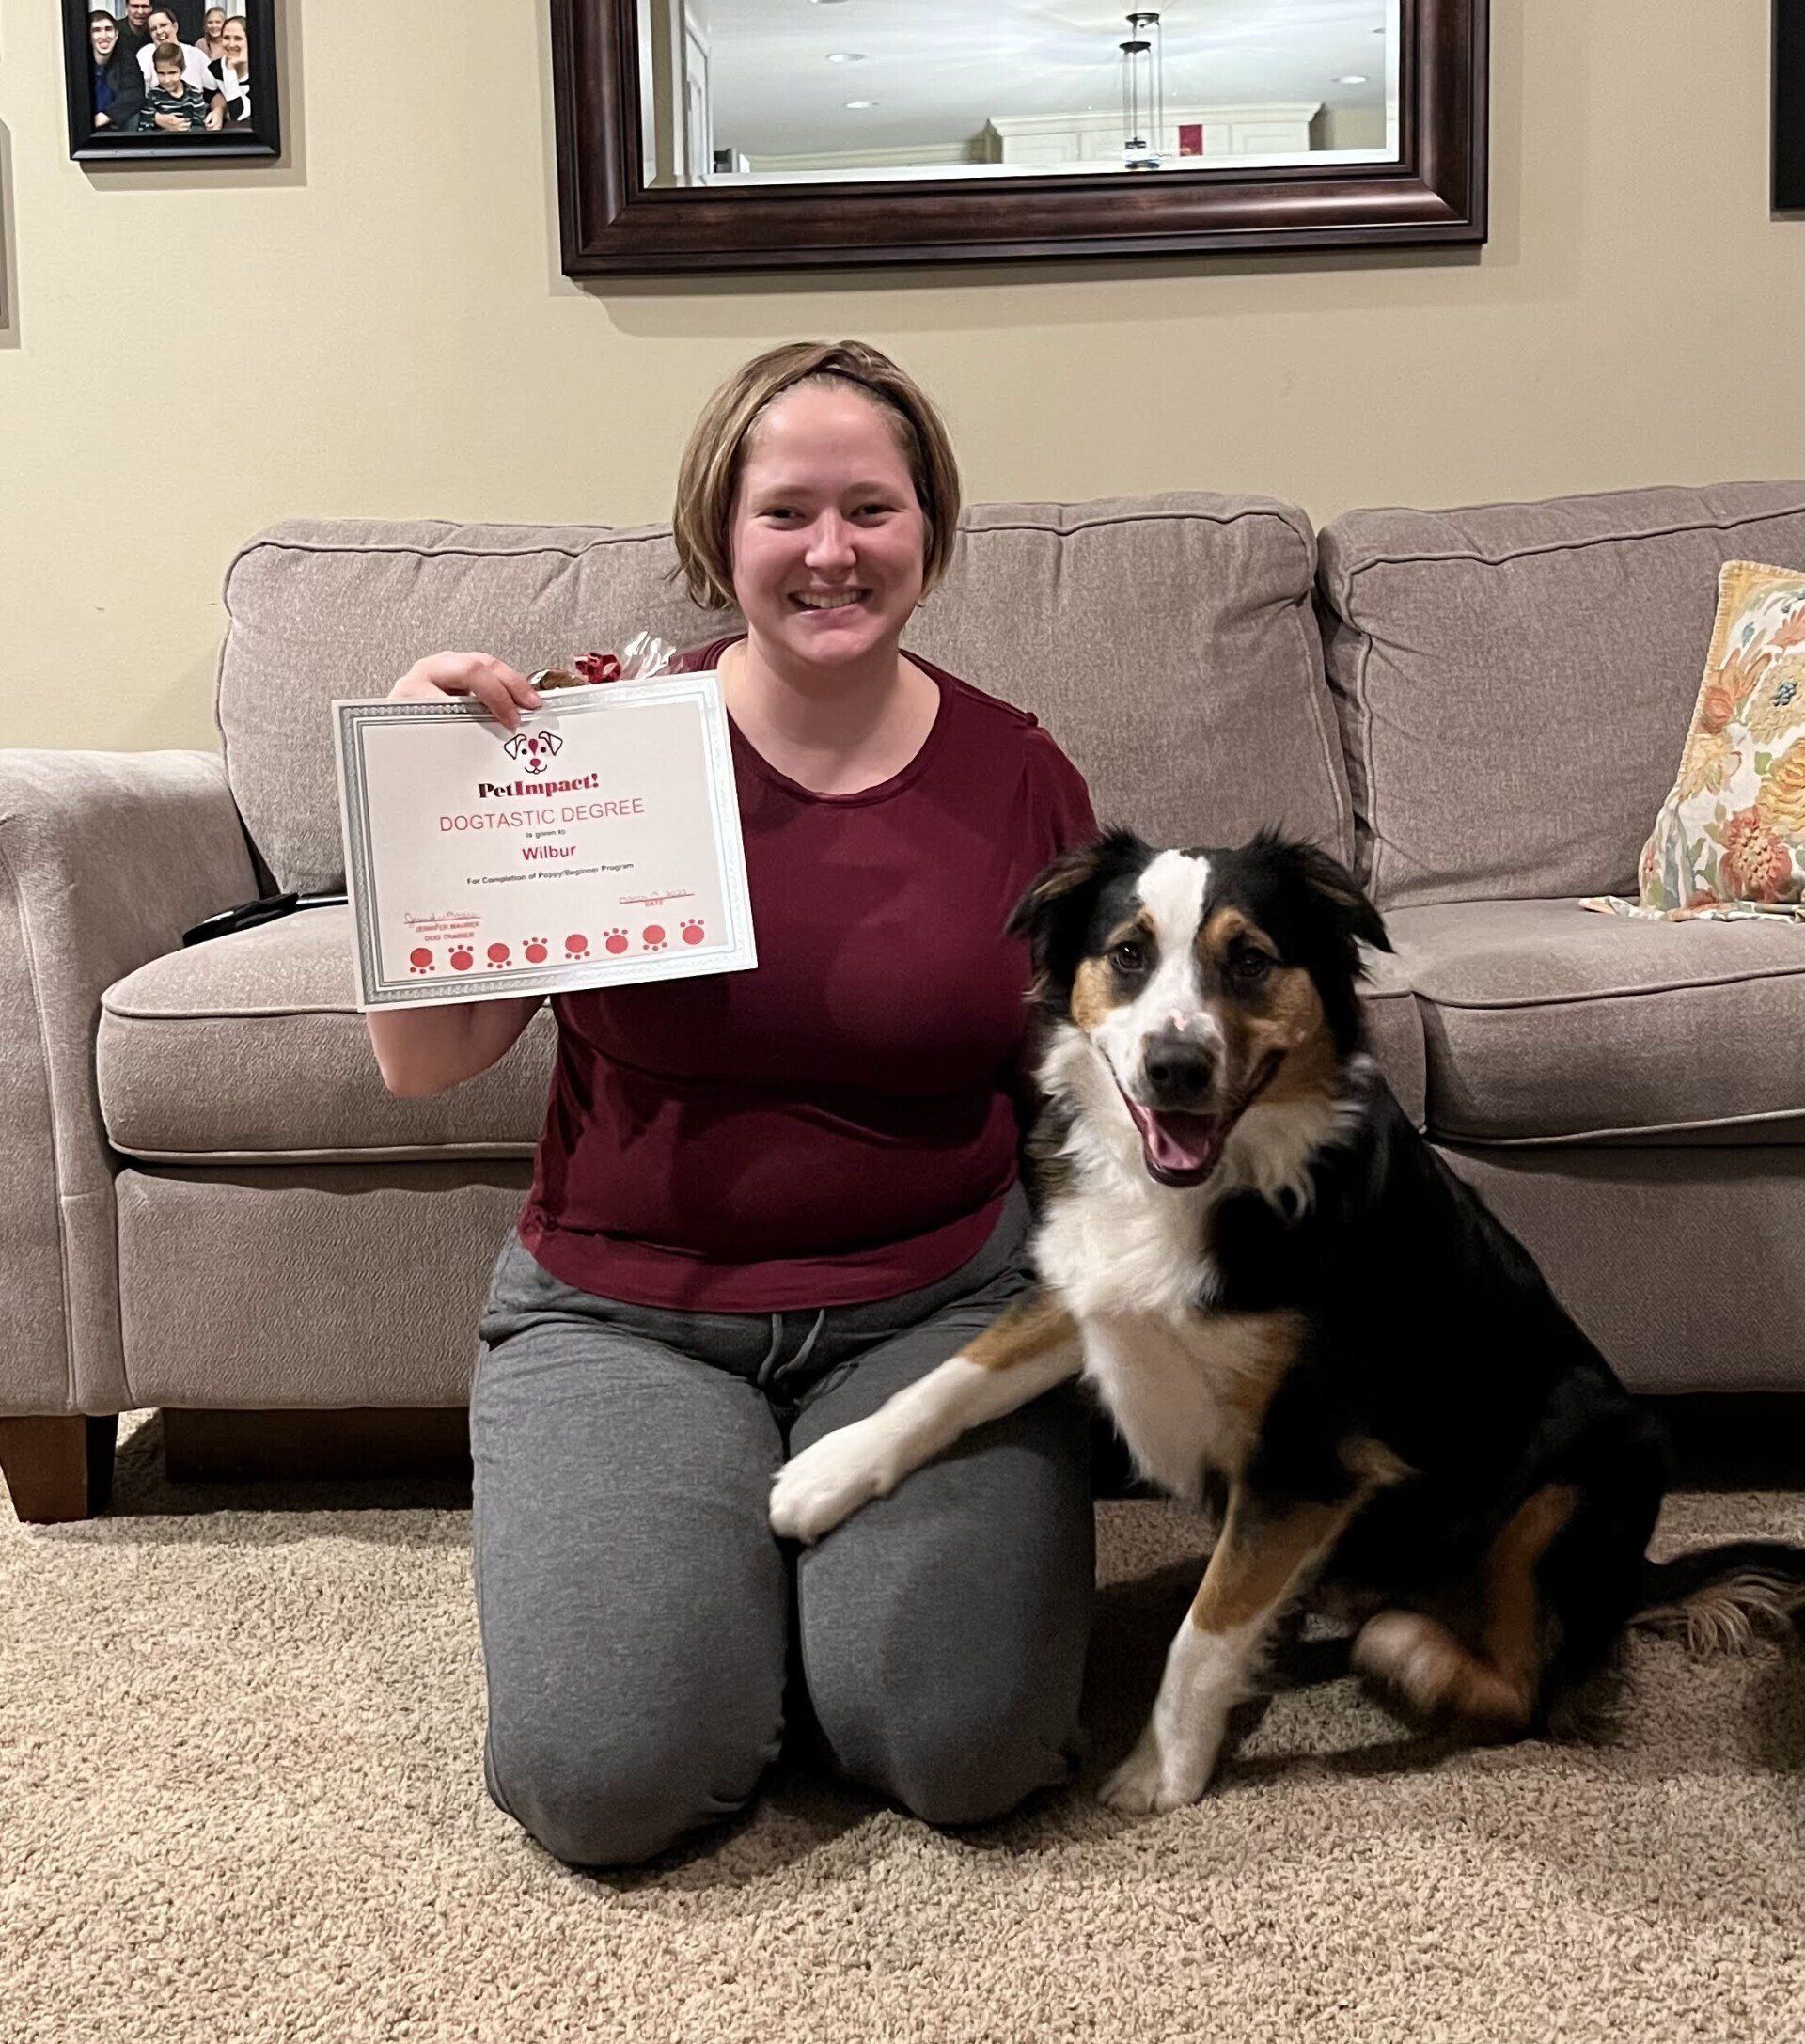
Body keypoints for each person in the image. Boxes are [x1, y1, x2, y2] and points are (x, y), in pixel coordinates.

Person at [368, 341, 1102, 1870]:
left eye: (872, 509)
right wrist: (419, 806)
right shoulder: (596, 744)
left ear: (930, 531)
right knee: (608, 1781)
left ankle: (779, 1606)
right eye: (787, 512)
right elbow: (428, 1061)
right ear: (720, 533)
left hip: (934, 1310)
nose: (831, 550)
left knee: (973, 1750)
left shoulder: (1018, 773)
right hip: (620, 1313)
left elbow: (1077, 1086)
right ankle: (712, 1596)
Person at [134, 8, 214, 98]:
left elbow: (215, 90)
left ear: (175, 26)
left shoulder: (196, 55)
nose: (159, 31)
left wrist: (217, 110)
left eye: (163, 25)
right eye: (153, 29)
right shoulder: (145, 54)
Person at [134, 37, 211, 133]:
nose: (167, 80)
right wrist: (168, 131)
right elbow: (144, 129)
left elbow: (200, 127)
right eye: (161, 73)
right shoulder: (152, 97)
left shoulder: (194, 95)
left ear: (182, 70)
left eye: (172, 73)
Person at [88, 10, 145, 133]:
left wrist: (104, 116)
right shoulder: (77, 62)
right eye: (96, 30)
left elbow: (134, 95)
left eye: (108, 29)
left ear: (116, 34)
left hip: (113, 126)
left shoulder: (126, 59)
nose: (104, 36)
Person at [205, 14, 251, 127]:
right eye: (226, 38)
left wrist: (230, 68)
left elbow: (238, 114)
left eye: (238, 38)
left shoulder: (262, 69)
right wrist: (219, 109)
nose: (231, 44)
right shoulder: (213, 70)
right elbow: (212, 97)